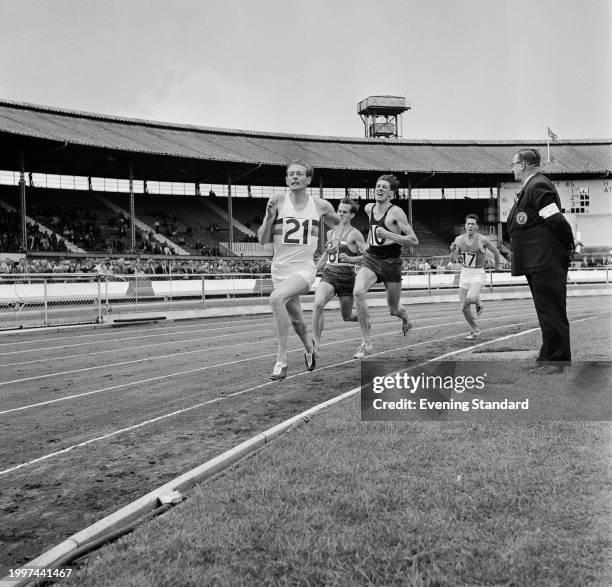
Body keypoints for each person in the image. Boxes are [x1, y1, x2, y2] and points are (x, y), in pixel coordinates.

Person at [257, 160, 340, 380]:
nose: (294, 177)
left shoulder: (320, 205)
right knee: (296, 321)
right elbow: (263, 239)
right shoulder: (277, 201)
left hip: (304, 269)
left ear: (308, 179)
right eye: (290, 174)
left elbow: (337, 223)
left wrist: (335, 240)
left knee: (276, 299)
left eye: (299, 174)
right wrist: (268, 217)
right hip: (280, 269)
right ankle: (310, 349)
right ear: (286, 179)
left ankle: (281, 360)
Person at [507, 148, 575, 371]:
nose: (512, 169)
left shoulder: (538, 185)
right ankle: (548, 355)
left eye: (514, 164)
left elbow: (556, 219)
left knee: (552, 311)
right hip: (537, 261)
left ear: (523, 165)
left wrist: (569, 245)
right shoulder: (531, 186)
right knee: (545, 311)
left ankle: (557, 360)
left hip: (546, 260)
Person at [352, 174, 419, 358]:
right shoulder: (368, 208)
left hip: (391, 264)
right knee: (358, 292)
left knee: (394, 309)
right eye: (378, 186)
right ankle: (366, 342)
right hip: (372, 259)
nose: (380, 189)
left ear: (391, 193)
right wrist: (368, 244)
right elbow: (373, 234)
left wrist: (389, 235)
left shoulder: (396, 212)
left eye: (384, 187)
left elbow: (414, 240)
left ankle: (405, 318)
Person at [311, 196, 367, 356]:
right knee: (318, 304)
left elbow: (368, 256)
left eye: (344, 212)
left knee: (348, 316)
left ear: (351, 216)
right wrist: (314, 270)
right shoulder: (330, 233)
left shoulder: (355, 234)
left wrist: (351, 259)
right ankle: (315, 344)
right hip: (329, 274)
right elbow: (326, 256)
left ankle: (365, 321)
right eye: (339, 211)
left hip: (347, 278)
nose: (340, 214)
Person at [450, 213, 504, 340]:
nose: (470, 226)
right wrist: (452, 251)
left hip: (477, 274)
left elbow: (496, 252)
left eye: (472, 224)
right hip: (465, 273)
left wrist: (497, 266)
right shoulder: (458, 239)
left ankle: (478, 301)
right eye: (468, 224)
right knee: (463, 307)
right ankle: (475, 329)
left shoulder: (482, 240)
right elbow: (453, 260)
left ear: (476, 227)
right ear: (465, 225)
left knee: (471, 297)